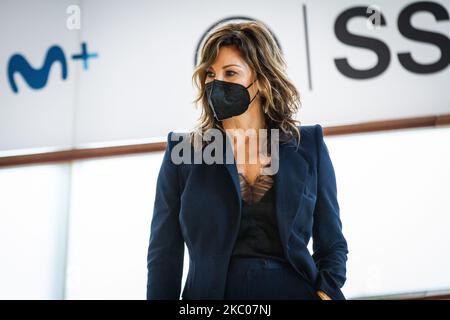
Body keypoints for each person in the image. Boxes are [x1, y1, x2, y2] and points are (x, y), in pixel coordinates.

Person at [147, 20, 348, 300]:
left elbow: (332, 242)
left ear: (262, 82)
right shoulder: (184, 153)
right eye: (210, 74)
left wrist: (325, 292)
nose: (216, 83)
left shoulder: (307, 144)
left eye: (230, 73)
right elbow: (163, 254)